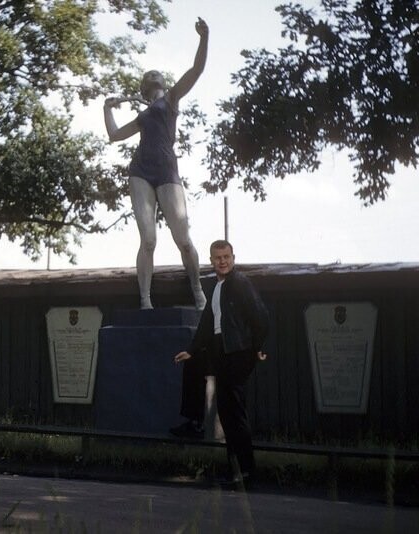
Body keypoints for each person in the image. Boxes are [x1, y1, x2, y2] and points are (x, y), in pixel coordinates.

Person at [103, 17, 209, 310]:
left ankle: (198, 289)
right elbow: (114, 135)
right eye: (148, 74)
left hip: (166, 171)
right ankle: (145, 299)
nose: (153, 75)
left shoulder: (172, 99)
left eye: (156, 73)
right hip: (140, 172)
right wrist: (106, 108)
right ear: (144, 87)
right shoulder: (143, 115)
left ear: (162, 82)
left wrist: (204, 37)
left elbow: (196, 70)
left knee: (183, 238)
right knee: (148, 239)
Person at [174, 240, 269, 485]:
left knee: (235, 413)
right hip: (220, 351)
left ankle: (247, 471)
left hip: (237, 353)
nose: (223, 261)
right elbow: (207, 323)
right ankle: (234, 469)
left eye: (226, 257)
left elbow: (261, 316)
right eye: (218, 258)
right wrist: (191, 350)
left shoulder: (241, 284)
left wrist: (257, 348)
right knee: (226, 413)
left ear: (233, 258)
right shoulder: (217, 287)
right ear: (211, 261)